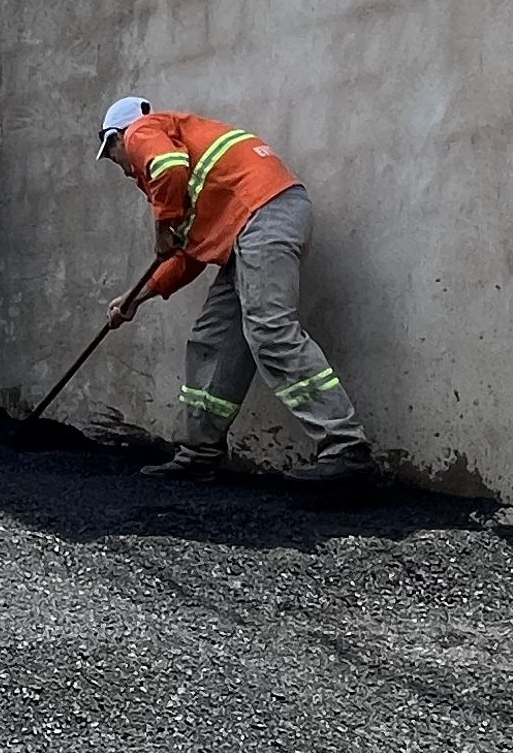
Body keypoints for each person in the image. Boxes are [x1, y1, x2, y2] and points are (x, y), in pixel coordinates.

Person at [89, 95, 367, 482]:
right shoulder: (189, 159)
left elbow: (166, 170)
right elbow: (187, 257)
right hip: (251, 225)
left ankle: (345, 448)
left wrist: (163, 225)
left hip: (263, 214)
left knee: (270, 328)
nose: (121, 169)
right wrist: (135, 298)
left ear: (118, 136)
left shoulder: (144, 133)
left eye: (112, 153)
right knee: (212, 341)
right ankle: (200, 452)